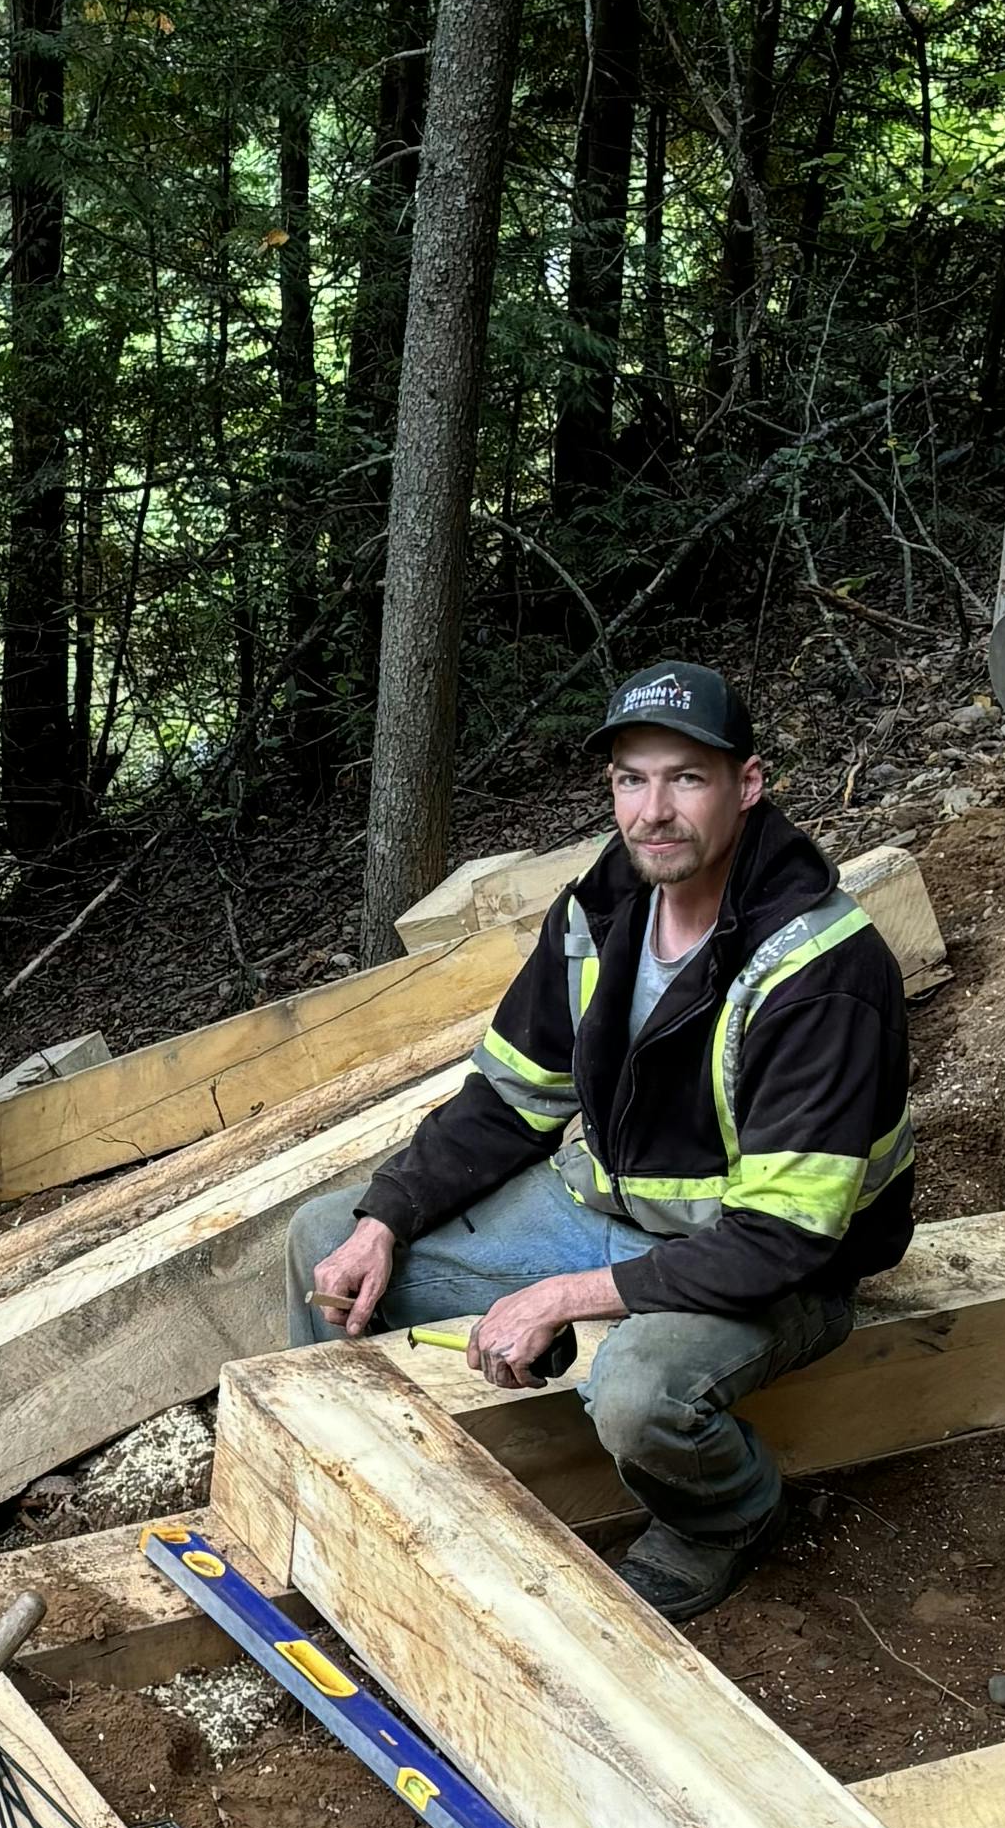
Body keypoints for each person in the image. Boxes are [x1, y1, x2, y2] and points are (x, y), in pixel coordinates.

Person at [288, 662, 912, 1618]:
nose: (653, 810)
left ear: (748, 785)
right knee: (325, 1240)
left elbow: (784, 1237)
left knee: (635, 1393)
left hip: (778, 1267)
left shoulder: (820, 970)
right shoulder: (599, 912)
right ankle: (351, 1481)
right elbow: (506, 1102)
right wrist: (384, 1218)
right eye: (631, 778)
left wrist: (567, 1298)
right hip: (604, 1215)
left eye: (685, 778)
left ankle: (728, 1516)